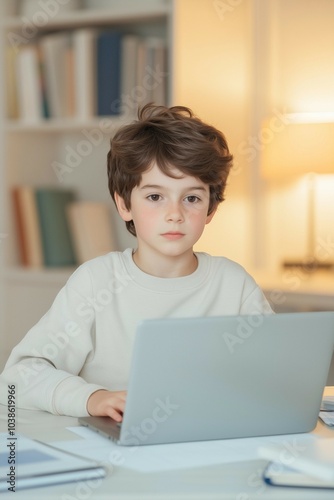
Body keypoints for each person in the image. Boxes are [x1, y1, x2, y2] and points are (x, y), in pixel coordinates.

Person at [0, 104, 272, 420]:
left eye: (192, 198)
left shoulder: (234, 285)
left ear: (211, 209)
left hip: (209, 439)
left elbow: (274, 374)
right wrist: (93, 398)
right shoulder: (95, 282)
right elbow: (19, 376)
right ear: (124, 204)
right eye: (155, 197)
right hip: (115, 447)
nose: (175, 213)